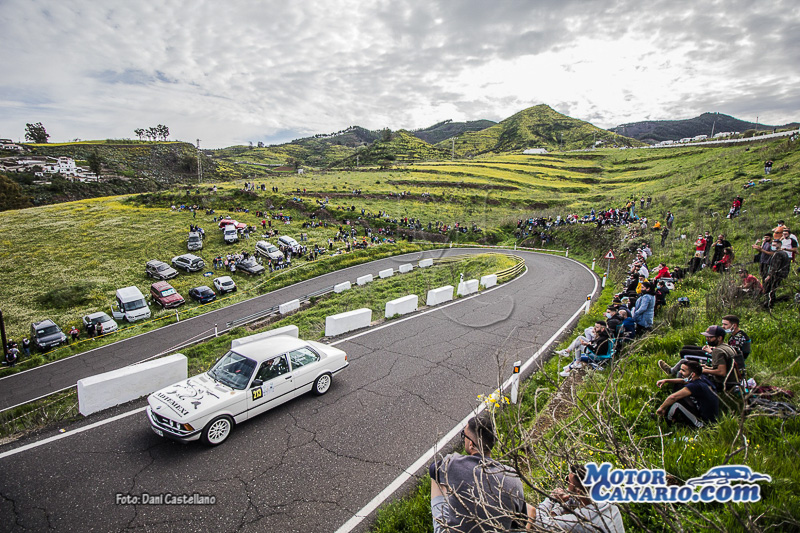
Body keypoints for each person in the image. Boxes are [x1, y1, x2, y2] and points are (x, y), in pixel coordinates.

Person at [430, 416, 528, 533]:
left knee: (437, 479)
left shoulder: (452, 464)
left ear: (471, 444)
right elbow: (520, 522)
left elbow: (433, 469)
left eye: (464, 435)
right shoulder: (512, 477)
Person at [528, 464, 625, 532]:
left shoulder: (580, 520)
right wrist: (558, 508)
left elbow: (539, 521)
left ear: (579, 492)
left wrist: (552, 499)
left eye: (568, 481)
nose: (566, 483)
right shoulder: (610, 505)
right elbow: (575, 500)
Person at [658, 326, 740, 391]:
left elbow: (722, 372)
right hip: (732, 380)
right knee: (685, 362)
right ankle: (672, 374)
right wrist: (708, 367)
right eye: (707, 337)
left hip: (720, 382)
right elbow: (724, 367)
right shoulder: (727, 347)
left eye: (710, 337)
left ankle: (679, 393)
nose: (707, 339)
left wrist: (704, 370)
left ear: (719, 338)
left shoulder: (718, 351)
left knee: (684, 371)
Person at [656, 360, 719, 428]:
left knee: (676, 404)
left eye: (683, 370)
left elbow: (673, 397)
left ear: (693, 374)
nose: (680, 372)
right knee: (678, 388)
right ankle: (673, 416)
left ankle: (665, 421)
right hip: (704, 411)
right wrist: (666, 380)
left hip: (705, 423)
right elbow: (684, 381)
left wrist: (661, 408)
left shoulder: (696, 385)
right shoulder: (701, 378)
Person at [763, 242, 790, 307]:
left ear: (779, 245)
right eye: (772, 245)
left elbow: (775, 266)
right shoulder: (785, 253)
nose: (773, 246)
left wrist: (769, 275)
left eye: (774, 245)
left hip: (776, 274)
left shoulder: (778, 254)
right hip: (783, 273)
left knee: (770, 289)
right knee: (773, 288)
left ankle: (769, 304)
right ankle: (772, 301)